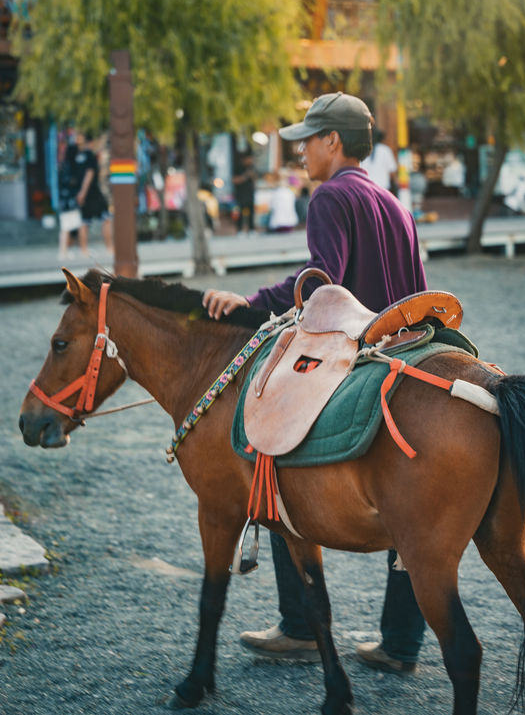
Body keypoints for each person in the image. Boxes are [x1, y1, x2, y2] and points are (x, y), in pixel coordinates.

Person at [203, 92, 428, 676]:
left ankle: (302, 625)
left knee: (268, 445)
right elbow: (418, 294)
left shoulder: (331, 196)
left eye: (308, 138)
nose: (299, 149)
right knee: (414, 501)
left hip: (351, 359)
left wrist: (249, 304)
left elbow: (321, 284)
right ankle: (401, 643)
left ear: (334, 142)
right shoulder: (394, 203)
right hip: (405, 356)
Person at [72, 132, 113, 256]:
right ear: (92, 142)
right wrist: (83, 193)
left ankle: (83, 250)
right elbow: (89, 174)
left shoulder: (78, 156)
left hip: (81, 193)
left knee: (84, 221)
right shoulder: (90, 155)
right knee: (106, 218)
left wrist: (79, 193)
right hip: (93, 193)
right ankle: (109, 248)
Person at [57, 142, 80, 260]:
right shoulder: (72, 166)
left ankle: (65, 250)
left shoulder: (63, 165)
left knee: (67, 227)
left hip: (64, 200)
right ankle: (63, 251)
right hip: (70, 200)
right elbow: (72, 182)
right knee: (67, 227)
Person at [361, 128, 398, 193]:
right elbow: (392, 171)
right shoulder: (385, 150)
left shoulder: (362, 150)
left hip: (366, 188)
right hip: (383, 188)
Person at [232, 139, 256, 234]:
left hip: (250, 193)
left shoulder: (251, 167)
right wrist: (246, 176)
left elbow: (254, 180)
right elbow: (235, 180)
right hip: (240, 194)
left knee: (251, 212)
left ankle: (251, 229)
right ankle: (240, 229)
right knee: (240, 212)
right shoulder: (238, 167)